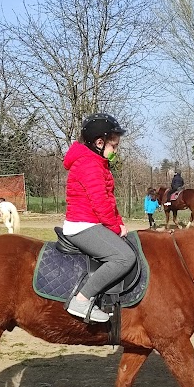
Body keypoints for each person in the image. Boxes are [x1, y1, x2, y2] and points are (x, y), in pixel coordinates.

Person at [62, 112, 136, 324]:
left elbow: (109, 200)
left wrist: (119, 222)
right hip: (82, 225)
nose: (116, 151)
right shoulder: (89, 164)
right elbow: (100, 203)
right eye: (114, 146)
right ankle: (82, 300)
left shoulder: (97, 162)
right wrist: (114, 227)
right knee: (124, 257)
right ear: (99, 142)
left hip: (90, 222)